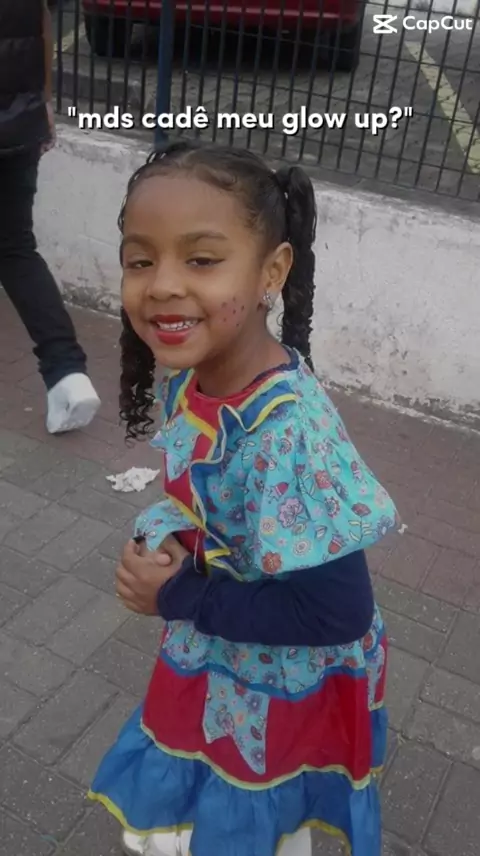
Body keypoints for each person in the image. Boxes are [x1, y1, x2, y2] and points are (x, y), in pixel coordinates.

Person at [88, 140, 401, 856]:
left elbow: (336, 612)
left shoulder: (287, 435)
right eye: (140, 260)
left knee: (260, 824)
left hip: (278, 677)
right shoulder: (196, 376)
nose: (162, 285)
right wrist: (178, 543)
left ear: (272, 272)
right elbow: (218, 500)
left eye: (201, 260)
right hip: (221, 644)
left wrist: (177, 595)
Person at [0, 0, 100, 433]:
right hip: (19, 124)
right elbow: (42, 22)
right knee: (16, 249)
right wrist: (43, 103)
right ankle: (67, 371)